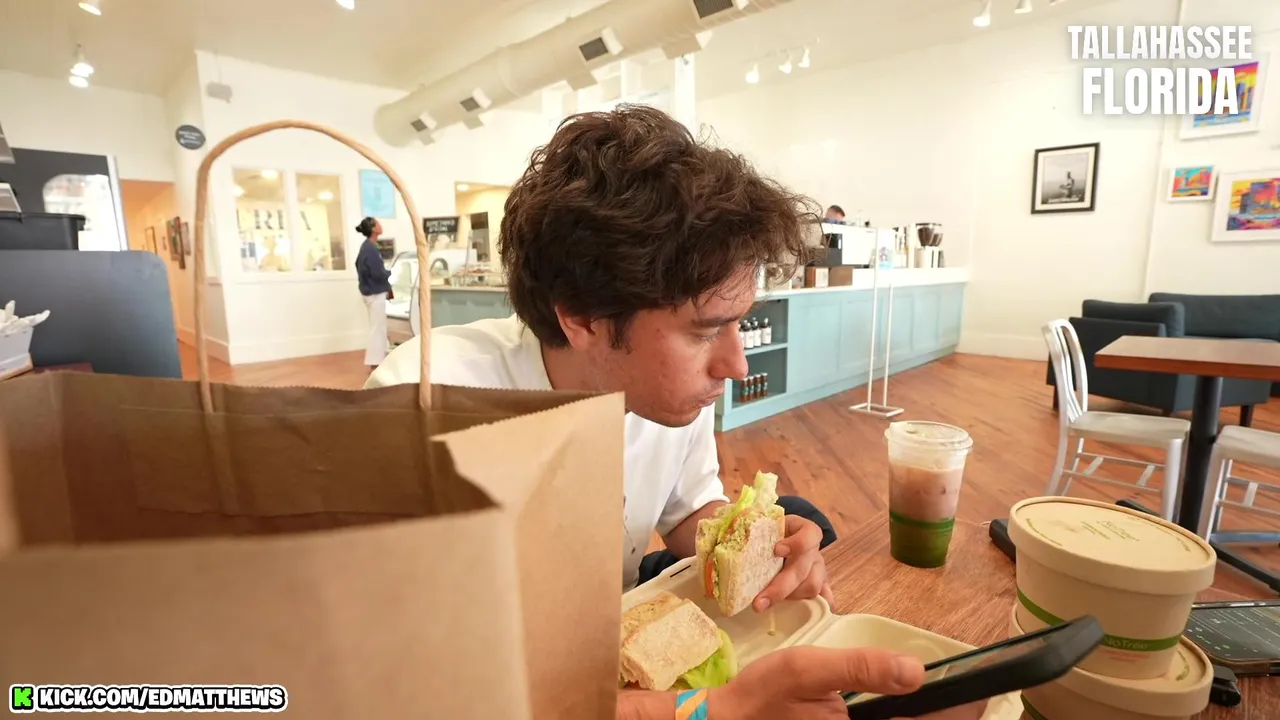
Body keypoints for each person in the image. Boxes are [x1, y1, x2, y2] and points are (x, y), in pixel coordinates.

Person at [366, 106, 983, 720]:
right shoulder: (422, 408)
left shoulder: (668, 403)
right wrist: (709, 710)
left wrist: (760, 549)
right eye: (705, 331)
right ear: (582, 317)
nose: (736, 365)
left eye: (739, 323)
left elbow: (690, 512)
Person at [354, 217, 392, 371]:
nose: (381, 225)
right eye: (377, 223)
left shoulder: (367, 247)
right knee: (377, 328)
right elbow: (377, 273)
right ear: (373, 229)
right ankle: (375, 362)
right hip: (375, 293)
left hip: (370, 292)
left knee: (378, 327)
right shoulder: (370, 249)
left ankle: (380, 358)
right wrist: (388, 273)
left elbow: (359, 266)